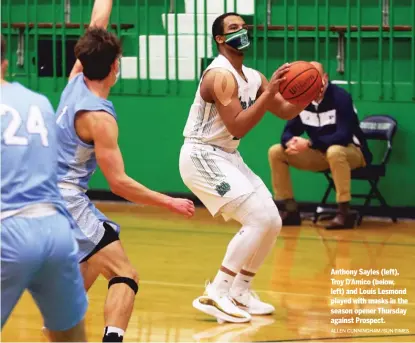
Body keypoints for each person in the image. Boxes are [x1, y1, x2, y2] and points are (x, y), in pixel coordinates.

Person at [55, 1, 195, 341]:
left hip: (47, 197)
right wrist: (170, 202)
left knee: (86, 270)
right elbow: (118, 183)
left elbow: (97, 23)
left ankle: (56, 323)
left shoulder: (75, 80)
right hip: (67, 200)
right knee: (125, 274)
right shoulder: (99, 118)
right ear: (116, 66)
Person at [179, 12, 317, 323]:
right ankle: (217, 291)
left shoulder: (253, 77)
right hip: (201, 155)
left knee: (271, 220)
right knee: (256, 218)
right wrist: (268, 95)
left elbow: (283, 110)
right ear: (220, 39)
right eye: (233, 28)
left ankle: (240, 290)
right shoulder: (219, 76)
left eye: (243, 26)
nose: (241, 31)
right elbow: (238, 126)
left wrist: (308, 94)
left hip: (226, 155)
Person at [0, 35, 88, 342]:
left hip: (7, 233)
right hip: (55, 231)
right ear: (5, 63)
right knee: (70, 335)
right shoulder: (39, 103)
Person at [268, 62, 372, 229]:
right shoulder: (302, 101)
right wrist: (290, 142)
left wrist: (309, 143)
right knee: (276, 152)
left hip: (353, 152)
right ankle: (289, 210)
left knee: (335, 151)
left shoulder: (341, 98)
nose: (314, 85)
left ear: (325, 78)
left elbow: (343, 136)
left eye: (317, 80)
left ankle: (344, 213)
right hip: (321, 153)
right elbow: (287, 132)